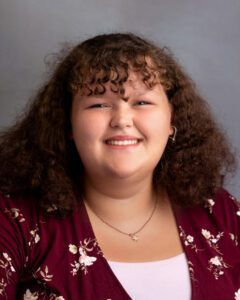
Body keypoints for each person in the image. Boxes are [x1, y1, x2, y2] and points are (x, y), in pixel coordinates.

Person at [0, 33, 239, 300]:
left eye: (142, 102)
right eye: (99, 103)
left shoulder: (221, 213)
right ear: (67, 123)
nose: (122, 120)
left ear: (172, 117)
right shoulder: (14, 220)